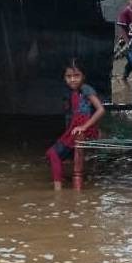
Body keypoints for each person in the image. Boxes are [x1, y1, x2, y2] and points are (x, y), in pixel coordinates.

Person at [46, 58, 105, 191]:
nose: (73, 79)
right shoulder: (74, 92)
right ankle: (61, 183)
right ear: (64, 78)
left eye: (76, 75)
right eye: (69, 76)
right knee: (53, 155)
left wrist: (84, 127)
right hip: (78, 129)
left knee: (52, 154)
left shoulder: (85, 88)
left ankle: (58, 191)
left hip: (83, 130)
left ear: (83, 76)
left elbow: (101, 110)